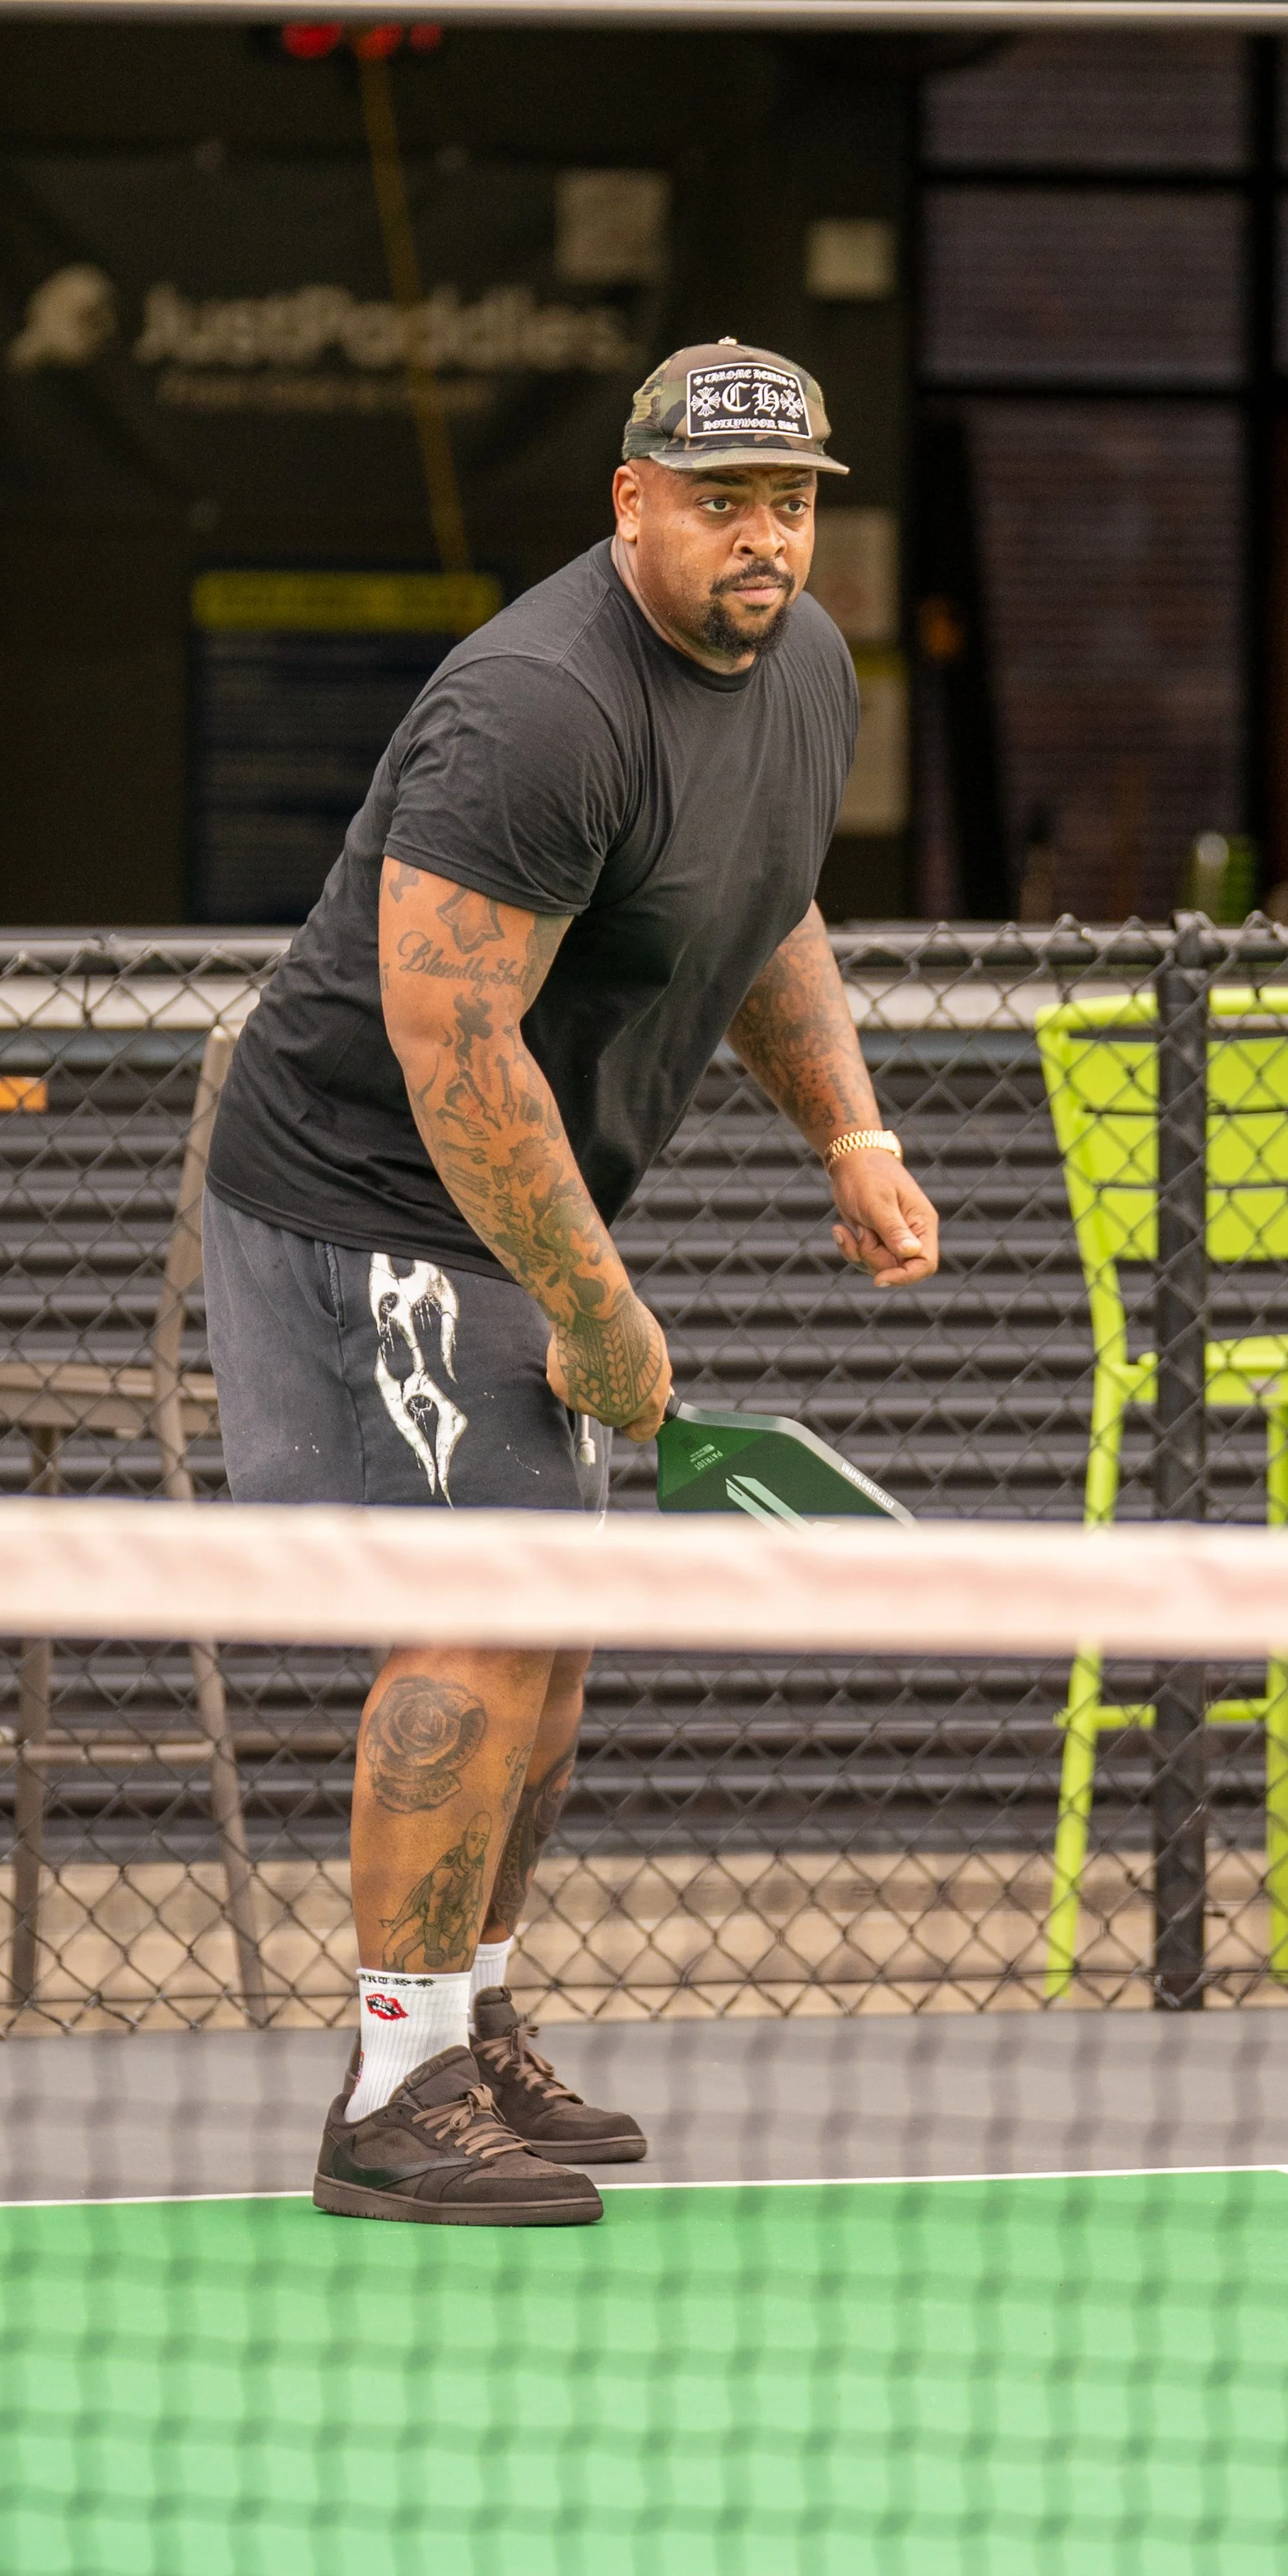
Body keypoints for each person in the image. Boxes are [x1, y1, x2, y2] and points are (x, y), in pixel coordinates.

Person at [202, 338, 941, 2226]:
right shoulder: (533, 707)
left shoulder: (803, 671)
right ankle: (393, 2087)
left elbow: (763, 904)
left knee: (561, 1618)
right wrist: (600, 1308)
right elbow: (457, 1050)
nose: (763, 535)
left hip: (513, 1203)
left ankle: (469, 2015)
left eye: (788, 498)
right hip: (362, 1191)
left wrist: (848, 1132)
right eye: (719, 500)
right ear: (630, 503)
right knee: (480, 1607)